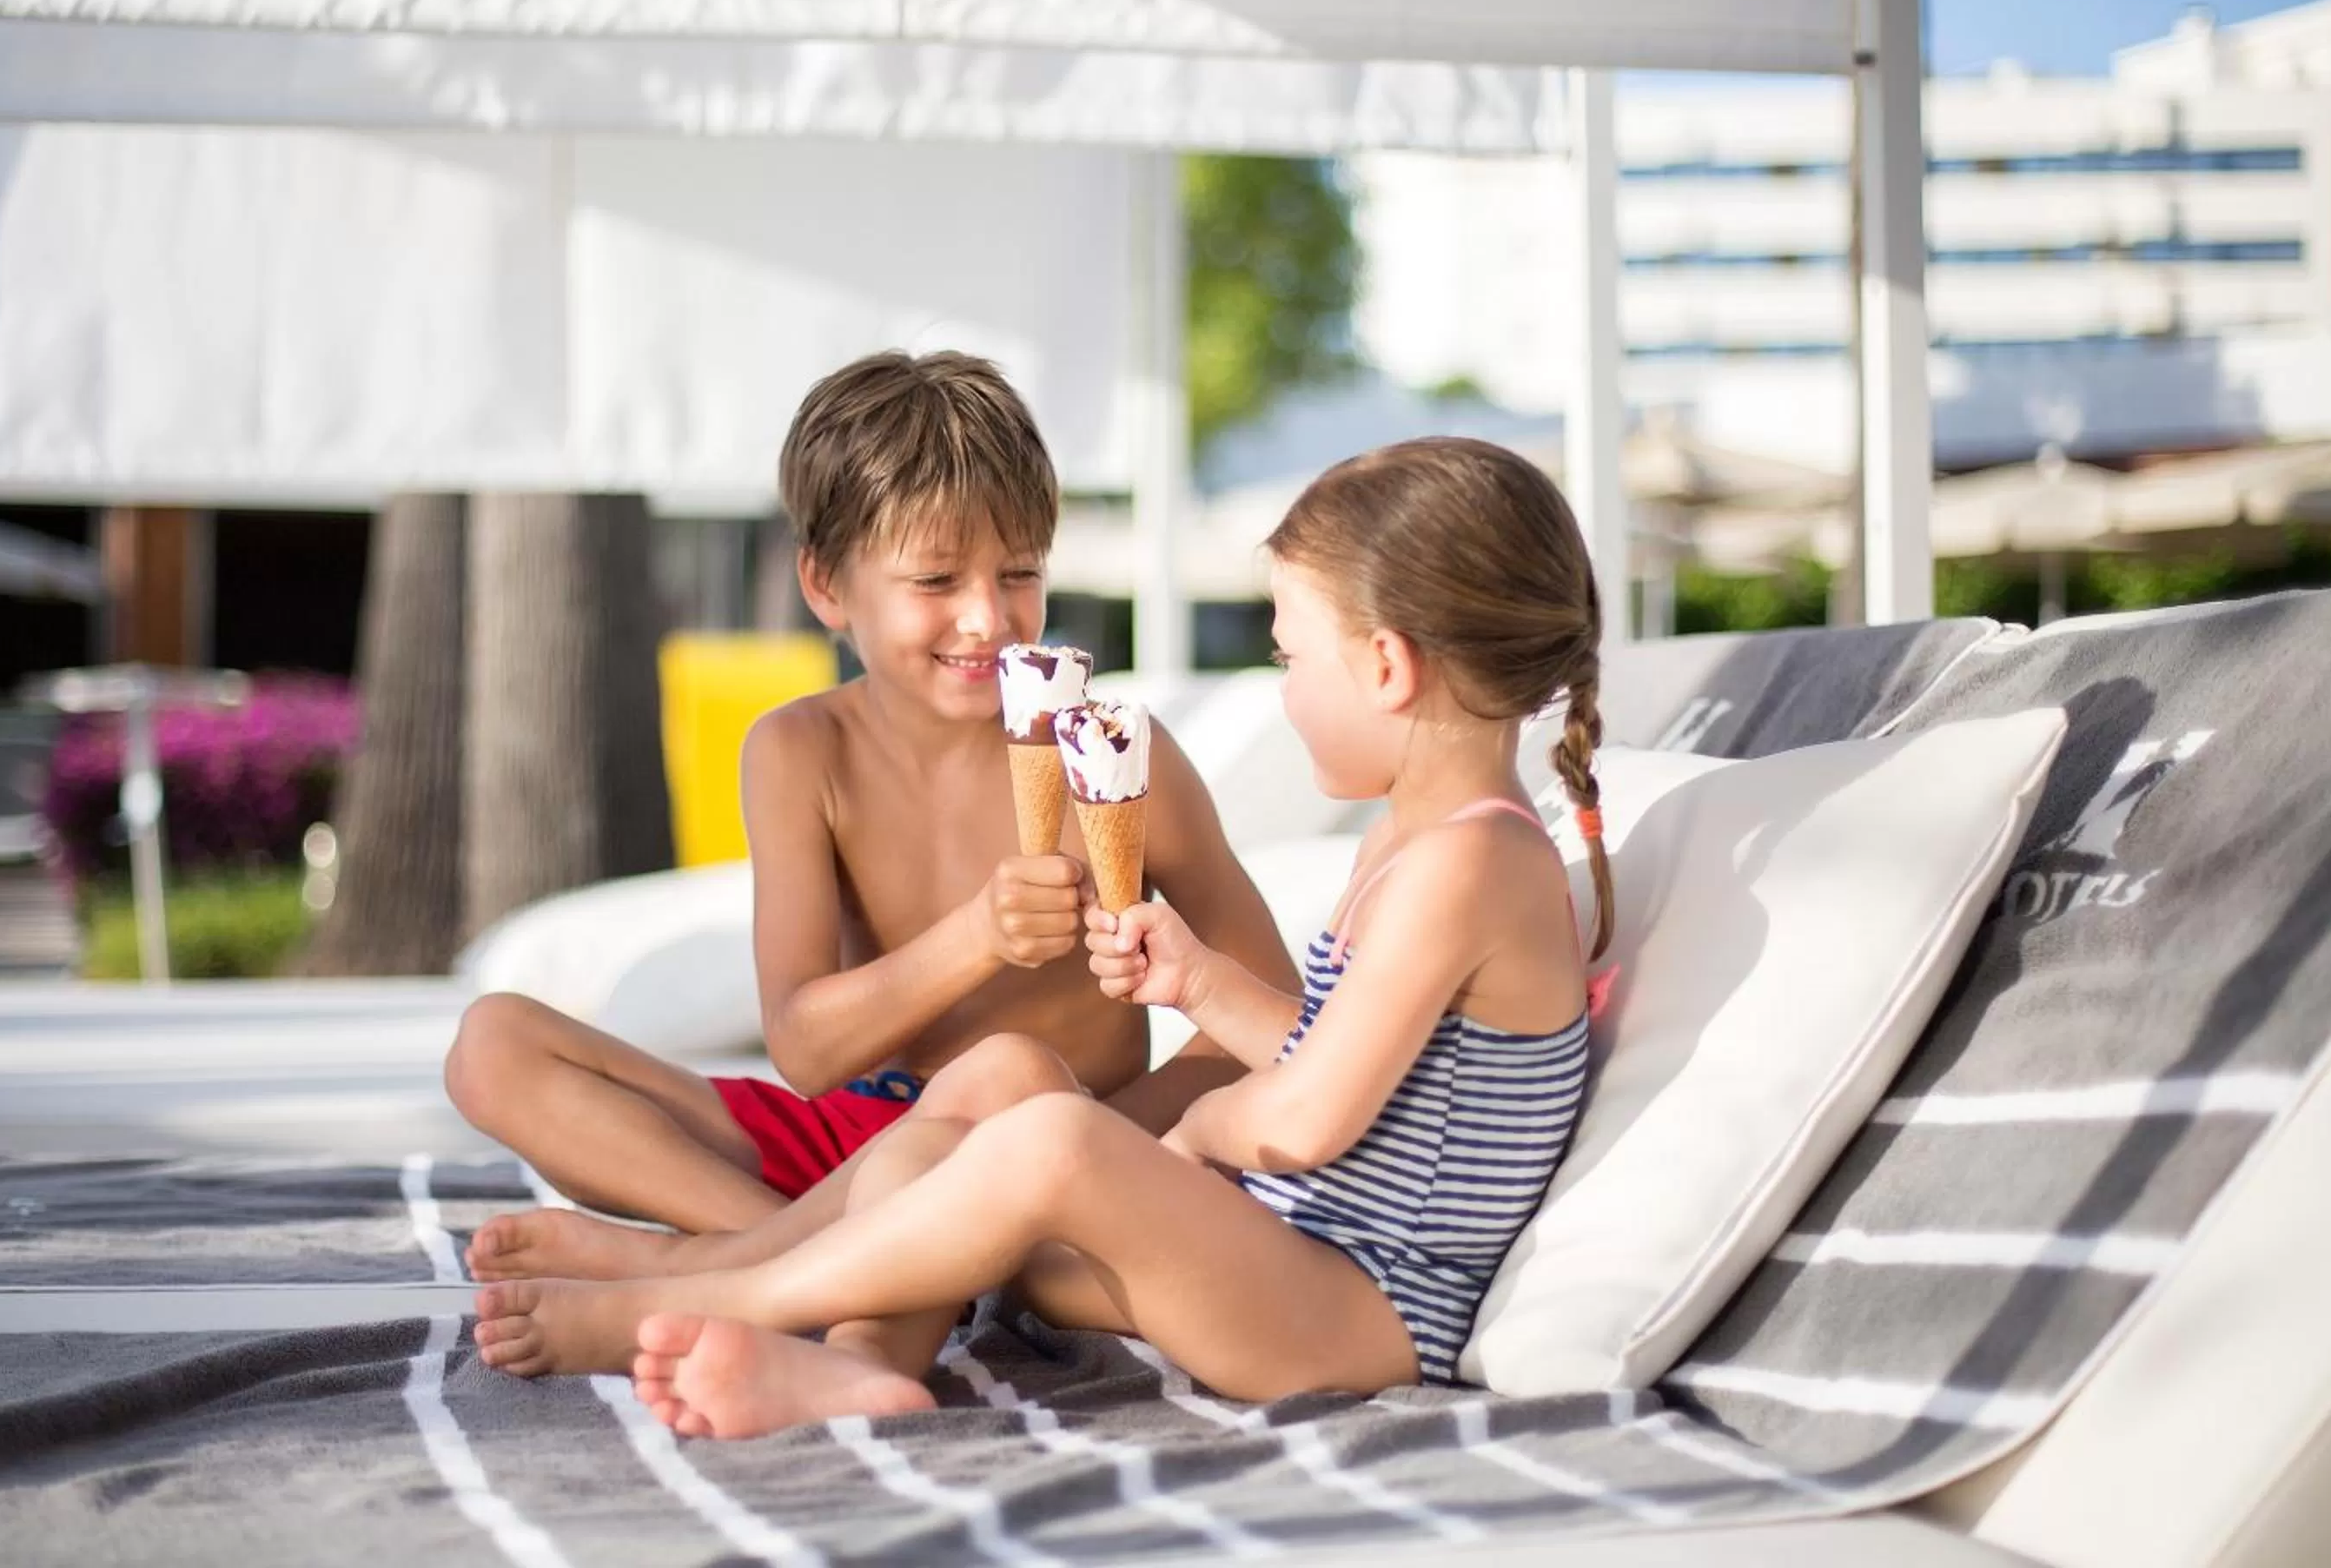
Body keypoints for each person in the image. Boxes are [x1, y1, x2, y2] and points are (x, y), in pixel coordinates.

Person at [471, 436, 1619, 1433]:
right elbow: (1328, 1053)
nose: (1282, 689)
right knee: (979, 1104)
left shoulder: (1470, 864)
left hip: (1357, 1308)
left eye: (1288, 657)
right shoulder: (1415, 843)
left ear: (1386, 667)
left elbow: (1309, 1116)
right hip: (1283, 1257)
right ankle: (856, 1366)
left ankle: (705, 1293)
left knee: (1052, 1138)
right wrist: (1200, 984)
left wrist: (1196, 1131)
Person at [445, 350, 1293, 1280]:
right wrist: (978, 936)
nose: (988, 618)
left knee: (1011, 1067)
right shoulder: (799, 752)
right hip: (849, 1144)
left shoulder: (1117, 755)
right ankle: (798, 1254)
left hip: (1036, 1151)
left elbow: (1270, 1016)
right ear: (825, 586)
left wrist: (1094, 1140)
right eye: (936, 581)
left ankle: (751, 1269)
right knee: (495, 1044)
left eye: (1019, 572)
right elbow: (806, 1051)